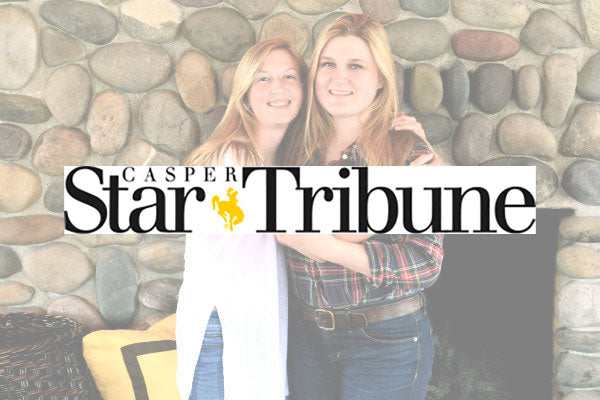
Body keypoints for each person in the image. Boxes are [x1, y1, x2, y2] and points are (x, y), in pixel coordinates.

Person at [277, 13, 444, 400]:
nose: (339, 78)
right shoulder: (294, 148)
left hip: (386, 344)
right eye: (328, 64)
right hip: (305, 340)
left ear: (381, 78)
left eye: (356, 66)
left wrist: (324, 246)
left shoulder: (407, 151)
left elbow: (426, 261)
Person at [175, 38, 307, 400]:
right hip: (224, 331)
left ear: (302, 90)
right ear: (245, 95)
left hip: (253, 327)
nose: (278, 88)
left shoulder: (276, 161)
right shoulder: (232, 159)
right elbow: (304, 228)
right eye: (263, 79)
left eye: (289, 77)